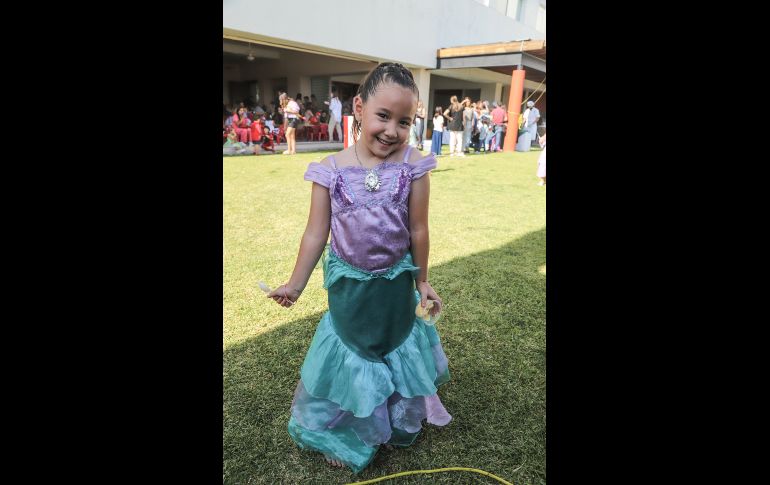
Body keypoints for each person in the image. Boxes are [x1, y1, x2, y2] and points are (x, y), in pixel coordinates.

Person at [267, 62, 451, 473]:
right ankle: (346, 426)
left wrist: (422, 280)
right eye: (383, 116)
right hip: (349, 292)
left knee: (390, 345)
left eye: (404, 121)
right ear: (359, 107)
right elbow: (316, 233)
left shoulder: (413, 164)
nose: (392, 130)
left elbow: (418, 229)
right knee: (354, 353)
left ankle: (394, 416)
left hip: (395, 289)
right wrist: (295, 284)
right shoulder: (330, 170)